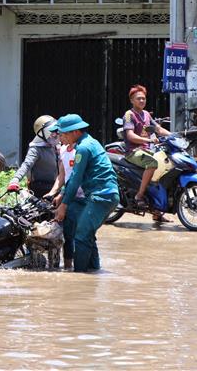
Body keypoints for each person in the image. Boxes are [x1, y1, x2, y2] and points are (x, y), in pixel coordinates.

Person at [51, 114, 119, 273]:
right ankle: (94, 271)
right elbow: (72, 178)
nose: (61, 137)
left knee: (80, 236)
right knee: (87, 235)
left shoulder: (83, 148)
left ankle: (79, 276)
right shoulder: (91, 142)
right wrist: (62, 193)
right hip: (107, 195)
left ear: (75, 132)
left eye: (63, 134)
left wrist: (64, 206)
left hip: (101, 196)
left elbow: (75, 178)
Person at [122, 84, 171, 220]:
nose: (142, 101)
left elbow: (158, 129)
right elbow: (130, 136)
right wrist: (149, 141)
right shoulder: (129, 115)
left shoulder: (146, 114)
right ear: (132, 100)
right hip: (133, 151)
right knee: (152, 163)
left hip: (147, 150)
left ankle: (156, 211)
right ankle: (139, 195)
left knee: (164, 169)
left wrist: (174, 136)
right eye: (139, 99)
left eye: (144, 99)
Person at [44, 128, 86, 270]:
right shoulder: (62, 150)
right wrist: (52, 193)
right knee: (66, 234)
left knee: (78, 233)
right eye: (57, 135)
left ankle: (77, 266)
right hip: (67, 196)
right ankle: (67, 267)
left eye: (60, 135)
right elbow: (62, 175)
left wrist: (62, 194)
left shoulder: (80, 151)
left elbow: (77, 178)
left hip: (82, 197)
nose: (59, 138)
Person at [7, 115, 59, 198]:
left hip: (55, 187)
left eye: (56, 131)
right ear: (43, 133)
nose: (56, 134)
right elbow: (26, 165)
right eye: (52, 131)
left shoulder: (56, 145)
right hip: (39, 188)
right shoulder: (35, 148)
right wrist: (15, 179)